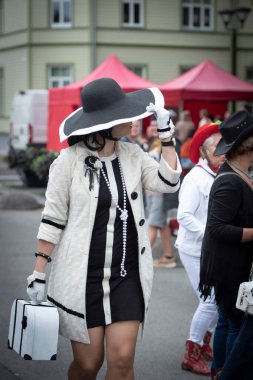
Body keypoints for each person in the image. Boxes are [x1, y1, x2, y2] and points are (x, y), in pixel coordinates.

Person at [26, 77, 182, 380]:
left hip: (127, 275)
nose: (134, 120)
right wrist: (38, 273)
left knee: (122, 361)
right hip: (84, 278)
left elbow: (168, 181)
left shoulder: (133, 155)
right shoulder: (68, 161)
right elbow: (52, 219)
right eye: (125, 115)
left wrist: (166, 137)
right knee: (88, 364)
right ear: (105, 123)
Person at [199, 110, 253, 380]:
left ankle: (220, 370)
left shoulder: (238, 172)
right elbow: (217, 229)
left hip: (233, 266)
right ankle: (226, 373)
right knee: (236, 325)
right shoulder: (230, 180)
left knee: (230, 322)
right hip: (230, 268)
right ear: (248, 144)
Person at [176, 121, 224, 376]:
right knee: (210, 301)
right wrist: (213, 234)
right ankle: (191, 351)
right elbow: (184, 216)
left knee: (216, 301)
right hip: (194, 249)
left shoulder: (217, 174)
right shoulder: (196, 177)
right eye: (217, 146)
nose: (223, 150)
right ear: (204, 151)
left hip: (210, 249)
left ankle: (204, 342)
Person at [145, 119, 178, 269]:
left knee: (152, 225)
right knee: (162, 225)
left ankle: (139, 259)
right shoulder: (152, 143)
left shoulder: (168, 144)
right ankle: (168, 256)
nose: (153, 128)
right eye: (151, 126)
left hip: (159, 194)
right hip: (151, 193)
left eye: (156, 127)